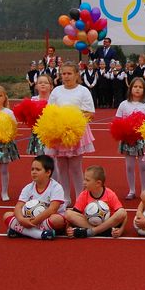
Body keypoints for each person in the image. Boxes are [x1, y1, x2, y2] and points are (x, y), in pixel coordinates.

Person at [45, 61, 96, 206]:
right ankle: (65, 197)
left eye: (69, 73)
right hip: (59, 133)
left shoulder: (83, 91)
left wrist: (73, 121)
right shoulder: (56, 91)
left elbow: (90, 113)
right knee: (61, 167)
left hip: (75, 133)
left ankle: (80, 197)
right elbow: (50, 111)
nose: (66, 77)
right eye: (63, 74)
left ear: (76, 75)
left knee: (75, 167)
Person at [3, 155, 65, 240]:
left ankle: (22, 231)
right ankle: (39, 234)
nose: (34, 172)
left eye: (38, 169)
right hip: (29, 220)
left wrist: (33, 222)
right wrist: (21, 220)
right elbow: (18, 206)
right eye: (32, 169)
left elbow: (52, 209)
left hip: (46, 219)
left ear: (48, 172)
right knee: (7, 215)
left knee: (57, 220)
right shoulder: (28, 187)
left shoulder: (56, 187)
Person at [65, 165, 127, 238]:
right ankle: (102, 231)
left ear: (98, 183)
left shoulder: (110, 194)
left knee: (122, 212)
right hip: (91, 223)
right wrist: (68, 228)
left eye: (87, 180)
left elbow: (124, 215)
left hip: (108, 222)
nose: (84, 182)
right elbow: (74, 214)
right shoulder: (83, 195)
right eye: (84, 179)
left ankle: (92, 231)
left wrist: (121, 230)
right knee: (68, 213)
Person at [115, 77, 145, 199]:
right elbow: (117, 120)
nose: (137, 89)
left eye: (140, 87)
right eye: (135, 86)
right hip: (127, 139)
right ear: (130, 88)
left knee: (142, 165)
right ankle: (132, 190)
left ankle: (144, 190)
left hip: (142, 138)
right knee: (129, 166)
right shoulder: (124, 104)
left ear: (144, 90)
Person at [26, 74, 53, 156]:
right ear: (36, 86)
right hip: (38, 135)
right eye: (40, 82)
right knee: (40, 158)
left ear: (51, 86)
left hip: (52, 135)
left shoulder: (54, 99)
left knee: (54, 160)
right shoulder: (33, 100)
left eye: (46, 82)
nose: (43, 84)